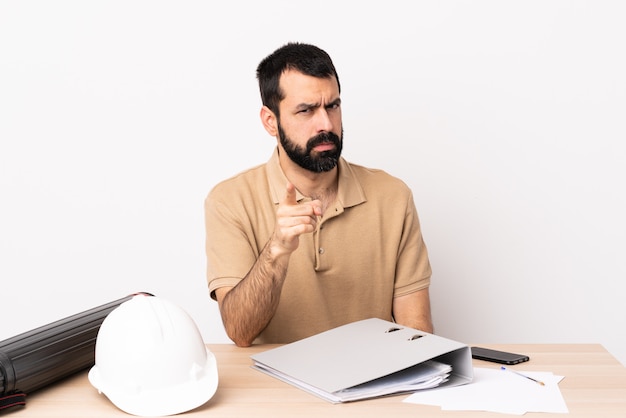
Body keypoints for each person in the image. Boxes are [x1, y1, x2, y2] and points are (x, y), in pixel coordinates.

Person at [204, 42, 433, 347]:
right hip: (277, 390)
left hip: (370, 385)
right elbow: (240, 332)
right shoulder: (229, 201)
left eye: (333, 106)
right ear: (270, 122)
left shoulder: (393, 196)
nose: (325, 124)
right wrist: (276, 251)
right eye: (306, 110)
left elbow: (416, 331)